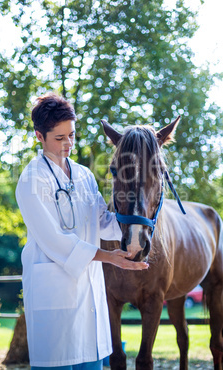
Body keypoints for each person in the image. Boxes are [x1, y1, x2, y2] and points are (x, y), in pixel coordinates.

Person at [16, 92, 148, 370]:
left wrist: (137, 223)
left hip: (90, 302)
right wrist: (110, 257)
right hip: (53, 300)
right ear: (39, 136)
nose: (68, 144)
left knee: (91, 361)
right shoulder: (31, 179)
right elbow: (55, 241)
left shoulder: (84, 176)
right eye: (59, 138)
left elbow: (102, 221)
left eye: (72, 135)